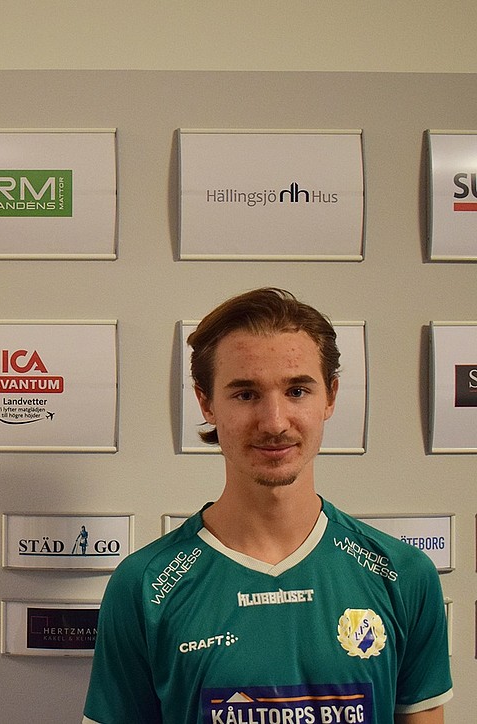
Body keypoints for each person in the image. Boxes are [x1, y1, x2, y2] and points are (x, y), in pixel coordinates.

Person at [82, 288, 452, 724]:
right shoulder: (145, 586)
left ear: (330, 397)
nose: (275, 422)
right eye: (245, 394)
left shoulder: (403, 575)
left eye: (297, 390)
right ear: (206, 403)